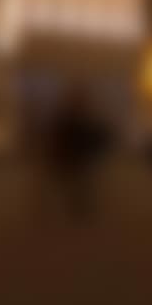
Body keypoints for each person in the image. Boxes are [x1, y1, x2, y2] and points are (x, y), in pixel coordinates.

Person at [40, 85, 111, 224]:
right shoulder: (66, 116)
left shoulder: (84, 116)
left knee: (81, 183)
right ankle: (75, 206)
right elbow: (58, 135)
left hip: (81, 155)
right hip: (70, 154)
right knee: (72, 182)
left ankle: (80, 207)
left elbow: (91, 134)